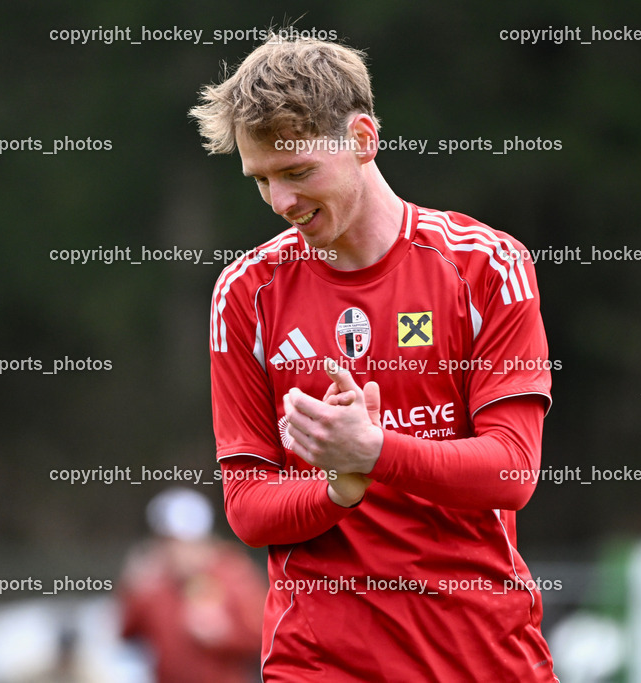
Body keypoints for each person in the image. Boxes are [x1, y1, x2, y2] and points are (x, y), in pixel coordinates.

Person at [190, 36, 558, 681]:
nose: (280, 202)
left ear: (362, 140)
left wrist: (375, 452)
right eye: (262, 180)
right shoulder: (245, 295)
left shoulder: (485, 265)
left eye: (298, 172)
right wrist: (337, 489)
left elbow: (512, 472)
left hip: (479, 655)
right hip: (321, 662)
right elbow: (248, 508)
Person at [118, 488, 266, 683]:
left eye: (183, 543)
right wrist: (131, 589)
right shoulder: (153, 583)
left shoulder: (235, 575)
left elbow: (265, 637)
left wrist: (224, 634)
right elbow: (126, 633)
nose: (176, 552)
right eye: (167, 543)